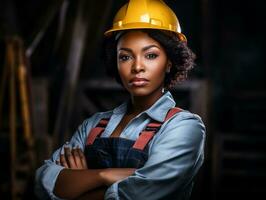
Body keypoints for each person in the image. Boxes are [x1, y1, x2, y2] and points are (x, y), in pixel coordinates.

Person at [35, 0, 206, 199]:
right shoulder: (93, 125)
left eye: (150, 55)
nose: (137, 67)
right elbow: (42, 183)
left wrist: (79, 181)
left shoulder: (184, 127)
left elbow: (138, 196)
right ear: (115, 62)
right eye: (125, 57)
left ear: (169, 62)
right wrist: (104, 175)